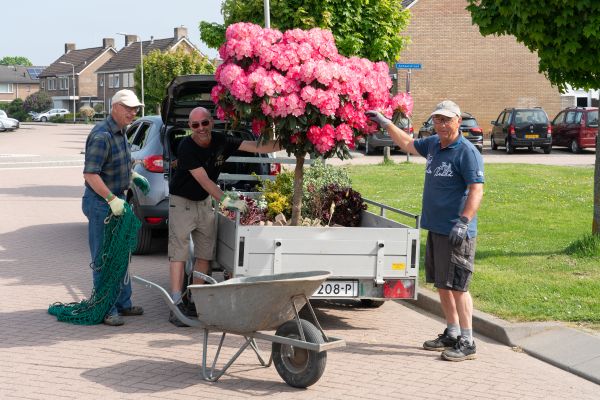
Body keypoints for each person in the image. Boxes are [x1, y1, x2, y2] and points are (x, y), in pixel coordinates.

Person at [367, 100, 484, 361]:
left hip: (457, 231)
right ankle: (452, 333)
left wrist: (464, 221)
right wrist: (386, 123)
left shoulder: (466, 151)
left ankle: (468, 340)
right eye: (437, 120)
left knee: (458, 287)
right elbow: (408, 143)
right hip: (436, 229)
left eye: (447, 120)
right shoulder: (433, 144)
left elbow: (476, 189)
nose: (441, 125)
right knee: (443, 284)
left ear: (458, 121)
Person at [167, 106, 281, 327]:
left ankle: (195, 298)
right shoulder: (186, 146)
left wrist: (288, 142)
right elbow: (204, 180)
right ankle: (176, 303)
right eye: (195, 125)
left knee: (205, 254)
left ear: (211, 122)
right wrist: (227, 201)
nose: (201, 128)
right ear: (190, 127)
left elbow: (256, 146)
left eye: (204, 123)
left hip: (205, 202)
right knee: (178, 251)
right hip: (182, 202)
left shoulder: (221, 141)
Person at [82, 89, 150, 326]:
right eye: (129, 108)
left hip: (116, 200)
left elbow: (117, 164)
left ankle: (124, 303)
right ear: (115, 108)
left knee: (121, 255)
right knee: (104, 258)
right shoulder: (102, 135)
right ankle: (106, 308)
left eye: (135, 109)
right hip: (101, 204)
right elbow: (90, 174)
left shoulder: (121, 132)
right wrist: (111, 199)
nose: (133, 113)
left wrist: (132, 176)